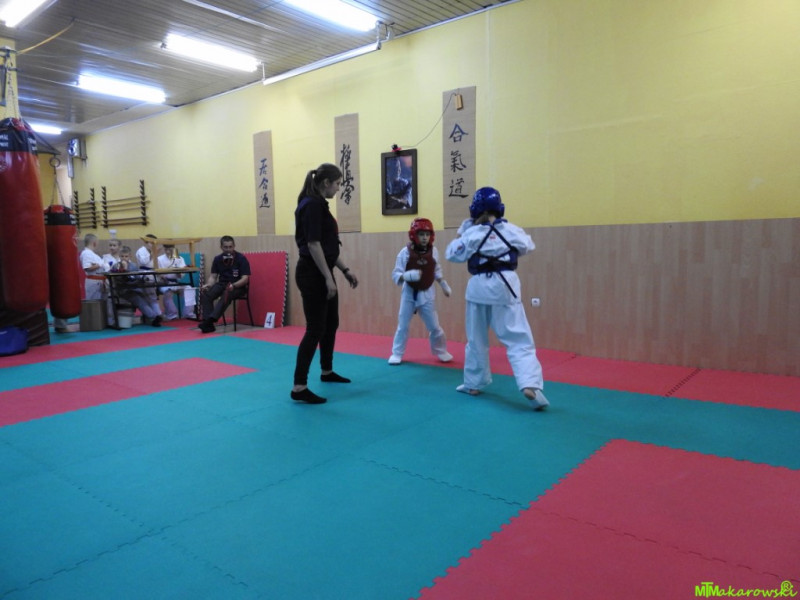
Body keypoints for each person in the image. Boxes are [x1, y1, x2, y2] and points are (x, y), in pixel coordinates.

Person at [445, 186, 549, 411]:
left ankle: (473, 384)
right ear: (499, 208)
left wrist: (462, 232)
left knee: (476, 339)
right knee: (518, 338)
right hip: (505, 286)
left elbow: (451, 254)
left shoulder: (472, 233)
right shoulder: (511, 230)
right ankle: (529, 384)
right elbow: (528, 246)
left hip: (478, 288)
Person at [291, 162, 359, 404]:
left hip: (323, 270)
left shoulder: (319, 204)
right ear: (325, 183)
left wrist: (344, 269)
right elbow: (313, 244)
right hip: (312, 274)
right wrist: (328, 279)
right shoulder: (311, 205)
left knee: (331, 323)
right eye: (337, 183)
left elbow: (328, 247)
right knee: (315, 329)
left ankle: (327, 371)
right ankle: (299, 386)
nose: (339, 188)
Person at [388, 217, 453, 365]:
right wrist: (406, 276)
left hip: (427, 293)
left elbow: (436, 270)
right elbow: (395, 274)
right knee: (403, 325)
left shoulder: (434, 251)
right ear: (414, 235)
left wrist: (443, 284)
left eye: (427, 234)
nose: (424, 238)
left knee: (434, 326)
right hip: (409, 293)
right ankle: (397, 353)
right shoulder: (405, 252)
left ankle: (441, 351)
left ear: (431, 236)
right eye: (421, 234)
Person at [198, 236, 250, 333]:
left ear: (234, 246)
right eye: (226, 247)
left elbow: (245, 279)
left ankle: (210, 321)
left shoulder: (241, 258)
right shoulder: (217, 259)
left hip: (237, 286)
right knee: (206, 294)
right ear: (221, 247)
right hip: (222, 284)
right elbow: (213, 276)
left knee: (227, 293)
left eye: (230, 247)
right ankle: (208, 323)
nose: (228, 249)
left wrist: (233, 286)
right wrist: (208, 285)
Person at [109, 246, 163, 326]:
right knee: (138, 300)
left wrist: (141, 279)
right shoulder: (116, 266)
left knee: (146, 296)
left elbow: (137, 277)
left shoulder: (133, 266)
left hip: (135, 288)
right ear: (119, 256)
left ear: (130, 256)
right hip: (123, 290)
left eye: (126, 256)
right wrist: (124, 270)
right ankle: (154, 317)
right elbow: (118, 279)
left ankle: (154, 316)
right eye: (122, 256)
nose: (124, 258)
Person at [157, 244, 193, 321]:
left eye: (170, 249)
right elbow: (157, 273)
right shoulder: (159, 259)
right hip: (164, 283)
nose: (168, 251)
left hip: (176, 282)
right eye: (166, 249)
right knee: (167, 292)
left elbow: (182, 274)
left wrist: (179, 273)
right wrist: (162, 276)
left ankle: (188, 314)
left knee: (189, 289)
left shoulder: (179, 258)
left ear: (174, 249)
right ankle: (172, 314)